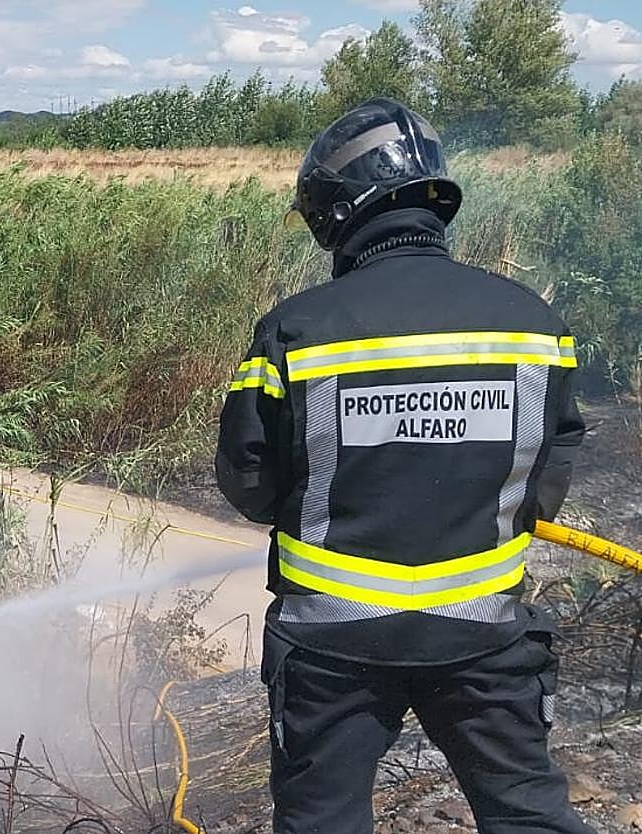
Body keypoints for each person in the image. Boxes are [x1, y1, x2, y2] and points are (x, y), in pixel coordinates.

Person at [215, 98, 593, 834]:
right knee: (528, 815)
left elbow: (249, 483)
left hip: (333, 644)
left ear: (337, 211)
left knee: (323, 822)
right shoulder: (535, 322)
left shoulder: (298, 328)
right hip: (484, 629)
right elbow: (557, 457)